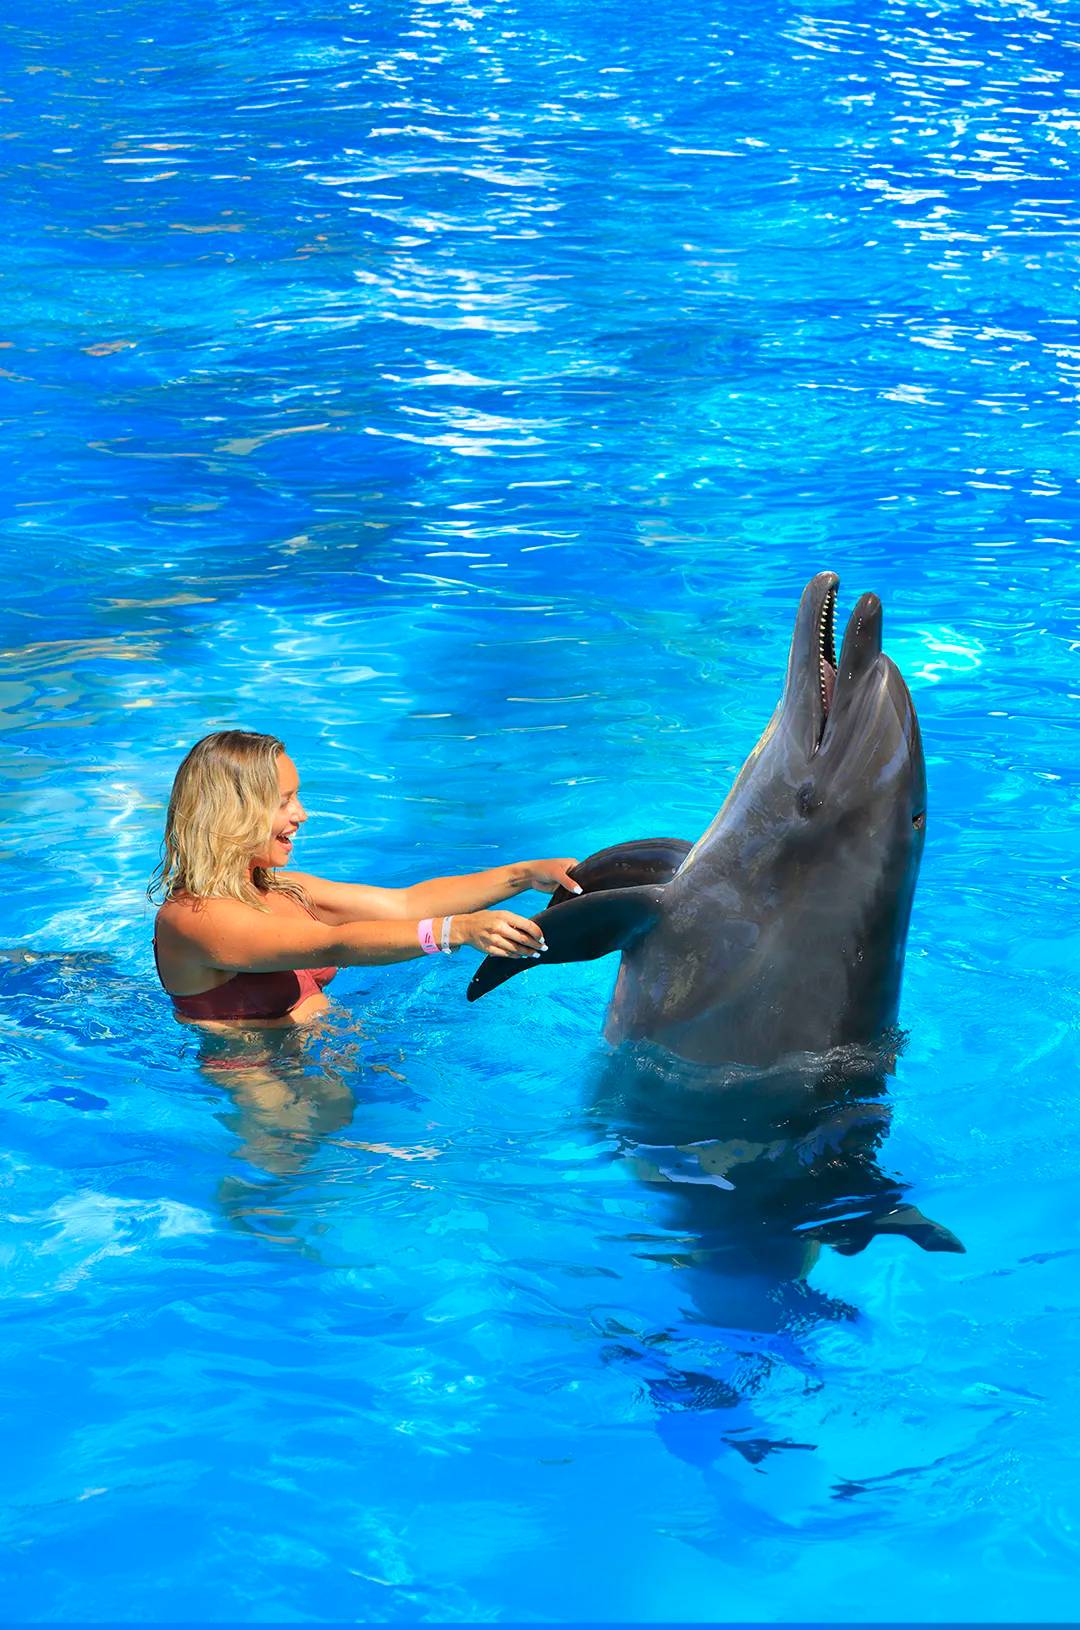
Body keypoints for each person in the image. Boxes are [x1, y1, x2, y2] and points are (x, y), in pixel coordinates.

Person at [149, 730, 582, 1028]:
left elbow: (407, 905)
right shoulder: (193, 918)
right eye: (284, 802)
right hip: (262, 1083)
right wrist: (457, 931)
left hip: (331, 1050)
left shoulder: (283, 889)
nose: (301, 814)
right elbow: (335, 944)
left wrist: (523, 874)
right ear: (232, 813)